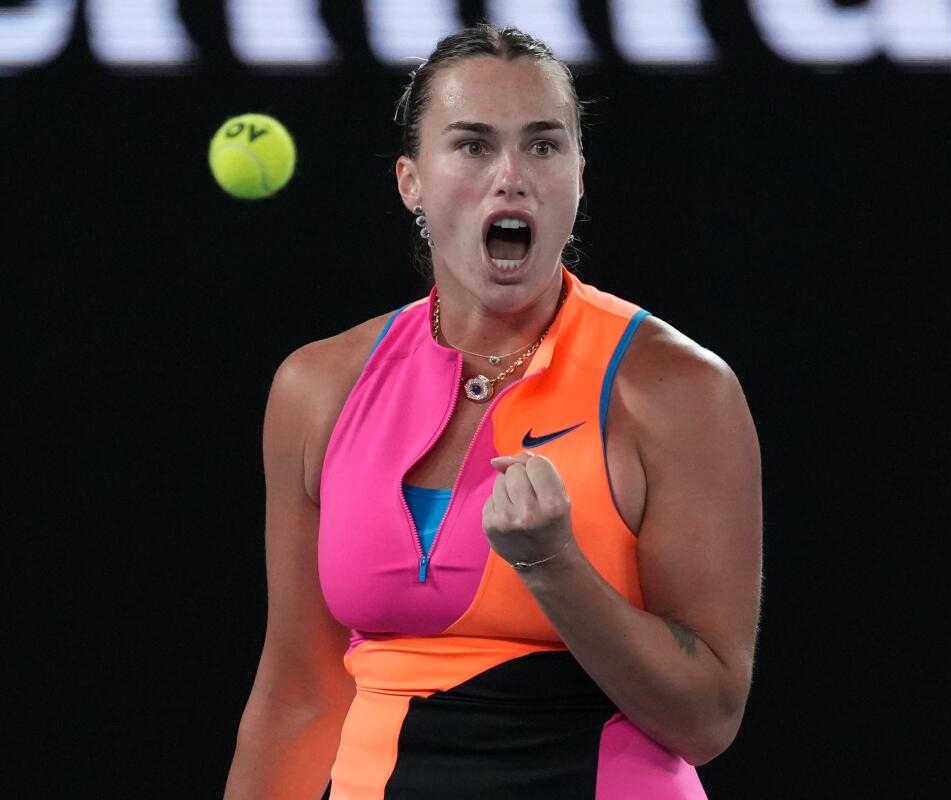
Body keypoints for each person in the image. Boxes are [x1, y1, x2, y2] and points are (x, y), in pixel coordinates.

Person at [224, 23, 762, 800]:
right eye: (473, 146)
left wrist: (553, 565)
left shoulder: (676, 391)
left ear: (579, 176)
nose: (511, 177)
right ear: (411, 181)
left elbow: (706, 718)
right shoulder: (318, 388)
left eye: (543, 146)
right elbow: (299, 696)